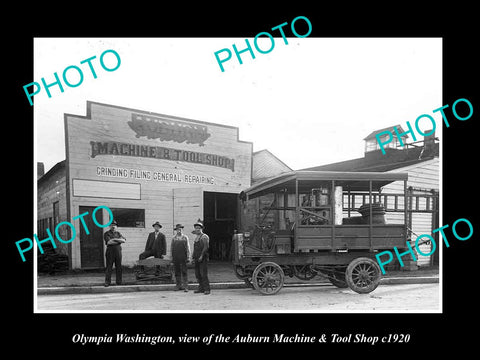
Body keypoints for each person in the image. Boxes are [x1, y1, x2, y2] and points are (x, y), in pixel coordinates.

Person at [103, 220, 126, 287]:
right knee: (109, 267)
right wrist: (119, 241)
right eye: (112, 225)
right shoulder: (106, 233)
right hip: (110, 251)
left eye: (115, 225)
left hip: (118, 251)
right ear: (109, 226)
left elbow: (124, 240)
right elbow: (109, 242)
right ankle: (107, 282)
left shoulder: (118, 233)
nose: (113, 226)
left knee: (119, 267)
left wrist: (114, 239)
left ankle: (119, 281)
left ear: (116, 226)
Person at [170, 224, 190, 292]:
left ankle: (186, 286)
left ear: (182, 229)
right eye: (177, 229)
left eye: (180, 229)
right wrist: (171, 257)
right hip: (175, 257)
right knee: (177, 271)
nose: (179, 231)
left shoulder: (185, 237)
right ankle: (178, 285)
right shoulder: (174, 238)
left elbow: (188, 248)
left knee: (184, 271)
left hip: (183, 257)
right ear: (176, 230)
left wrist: (188, 256)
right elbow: (171, 248)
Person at [192, 220, 210, 295]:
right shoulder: (196, 237)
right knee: (198, 273)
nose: (197, 229)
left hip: (202, 258)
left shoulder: (204, 237)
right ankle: (201, 288)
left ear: (201, 229)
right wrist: (193, 257)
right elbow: (195, 248)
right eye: (196, 228)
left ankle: (207, 289)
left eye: (199, 228)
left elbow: (206, 247)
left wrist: (201, 256)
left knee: (203, 274)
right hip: (196, 257)